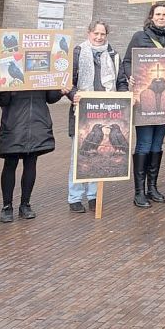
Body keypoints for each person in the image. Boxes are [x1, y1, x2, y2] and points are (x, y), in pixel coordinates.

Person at [117, 2, 165, 208]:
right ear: (151, 16)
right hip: (145, 98)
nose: (161, 17)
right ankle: (139, 191)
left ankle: (152, 187)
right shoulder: (140, 37)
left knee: (157, 144)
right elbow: (127, 61)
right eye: (158, 14)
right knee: (144, 143)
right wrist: (131, 77)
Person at [66, 21, 119, 213]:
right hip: (82, 112)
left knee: (99, 153)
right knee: (78, 155)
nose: (99, 37)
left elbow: (119, 80)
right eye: (95, 33)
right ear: (89, 33)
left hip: (105, 112)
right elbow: (67, 81)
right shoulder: (78, 52)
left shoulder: (112, 54)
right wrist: (73, 95)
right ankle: (75, 196)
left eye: (102, 34)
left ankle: (94, 195)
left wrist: (123, 98)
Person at [0, 89, 64, 222]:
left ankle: (25, 205)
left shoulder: (42, 69)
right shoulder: (8, 68)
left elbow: (50, 98)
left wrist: (61, 91)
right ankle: (7, 206)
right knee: (10, 163)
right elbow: (3, 101)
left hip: (36, 123)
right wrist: (3, 87)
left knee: (30, 163)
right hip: (14, 123)